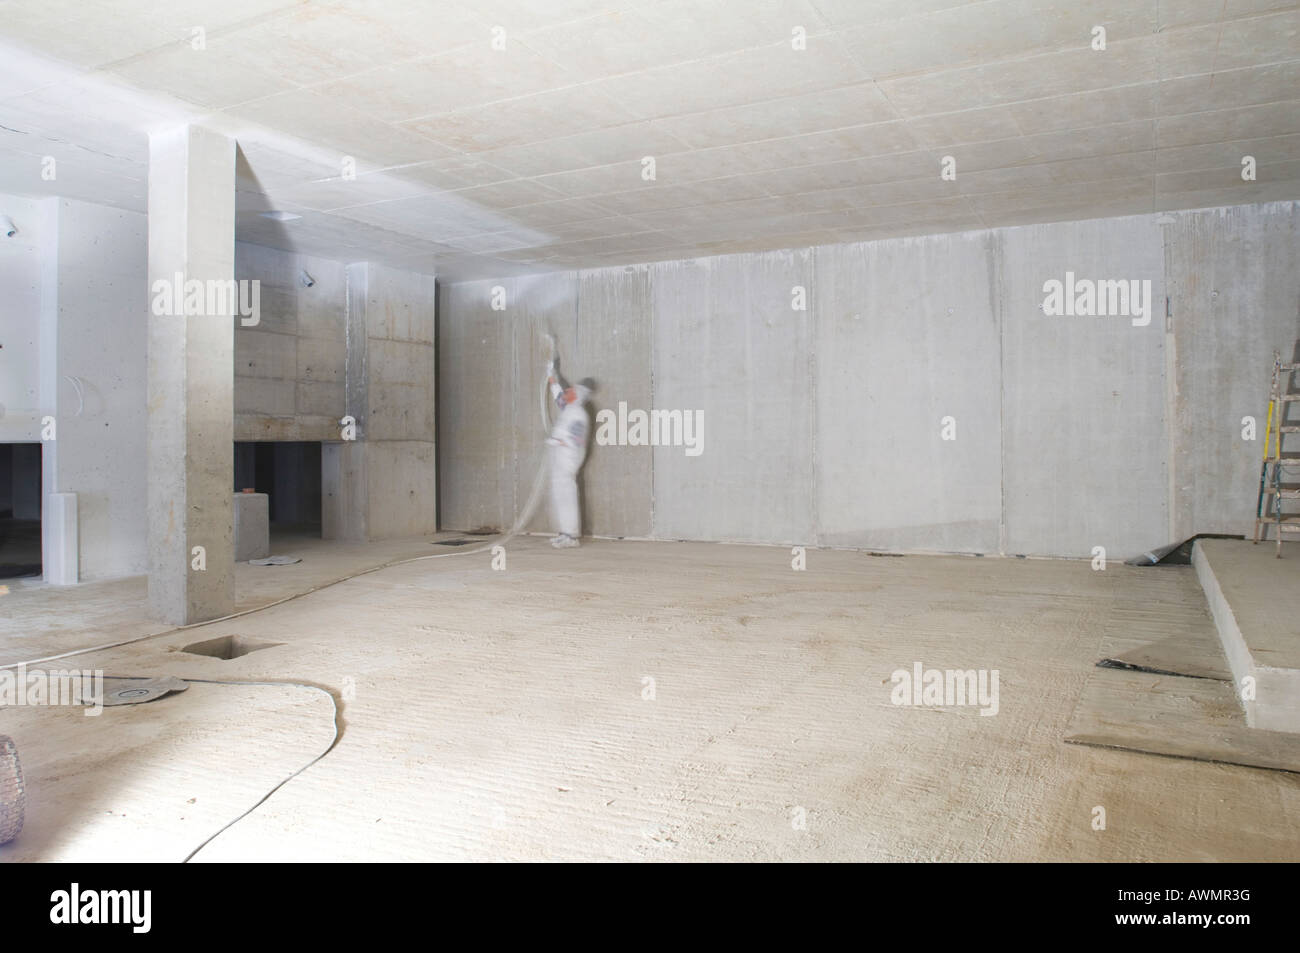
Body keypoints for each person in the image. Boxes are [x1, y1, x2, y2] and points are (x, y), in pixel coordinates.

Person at [546, 357, 596, 548]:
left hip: (568, 461)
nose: (567, 391)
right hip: (560, 458)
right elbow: (557, 393)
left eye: (571, 390)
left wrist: (557, 440)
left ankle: (571, 536)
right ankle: (564, 533)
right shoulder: (569, 408)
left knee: (567, 496)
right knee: (560, 496)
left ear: (578, 395)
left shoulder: (578, 415)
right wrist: (551, 374)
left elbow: (575, 441)